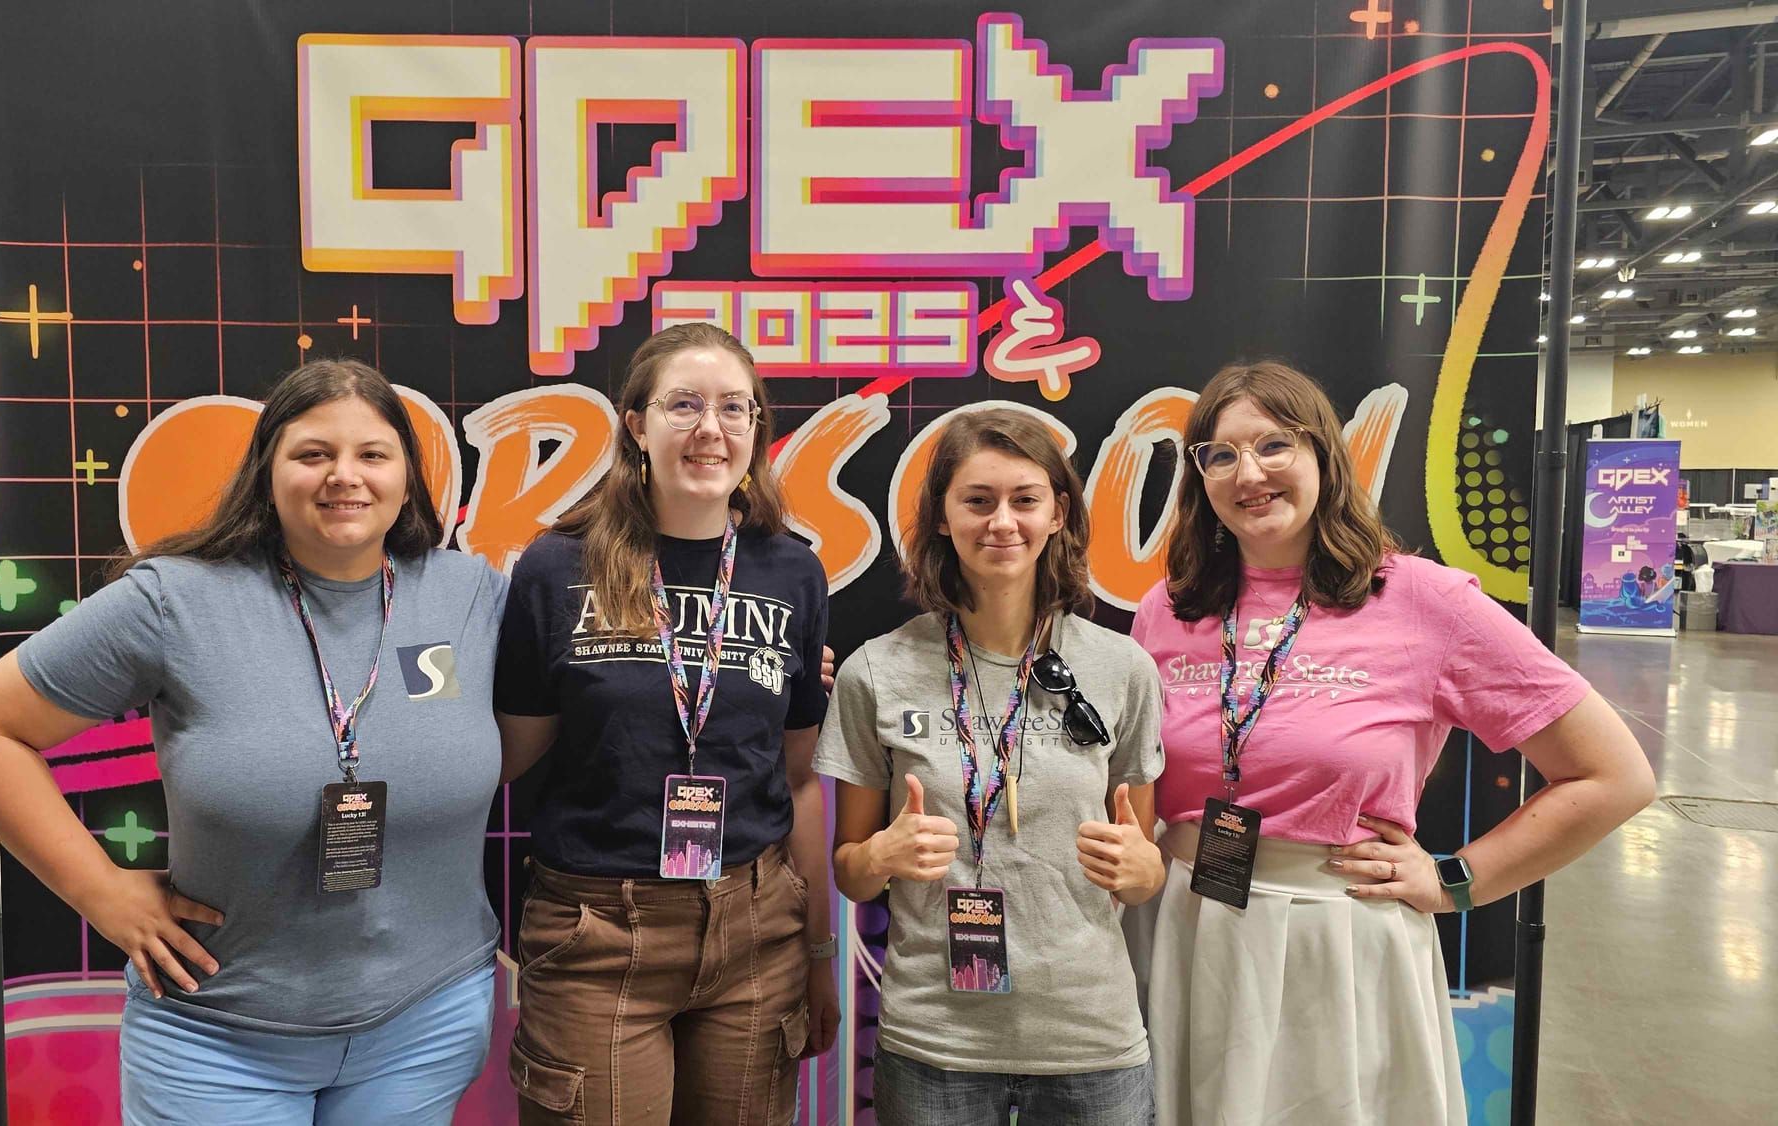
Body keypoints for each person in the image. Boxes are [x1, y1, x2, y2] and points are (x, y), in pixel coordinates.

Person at [0, 359, 504, 1124]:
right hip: (218, 1033)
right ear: (266, 471)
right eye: (312, 453)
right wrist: (101, 893)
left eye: (373, 453)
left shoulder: (471, 595)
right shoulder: (177, 601)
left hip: (425, 1026)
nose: (344, 475)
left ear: (407, 476)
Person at [1132, 360, 1656, 1125]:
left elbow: (1614, 775)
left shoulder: (1423, 600)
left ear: (1324, 455)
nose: (1248, 474)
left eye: (1274, 445)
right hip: (1185, 927)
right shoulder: (1168, 609)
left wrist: (1455, 881)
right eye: (1221, 454)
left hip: (1339, 944)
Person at [495, 321, 838, 1124]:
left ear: (757, 428)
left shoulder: (792, 572)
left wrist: (819, 952)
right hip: (598, 932)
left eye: (734, 407)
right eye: (683, 404)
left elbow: (797, 781)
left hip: (756, 930)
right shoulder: (558, 567)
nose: (710, 428)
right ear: (635, 424)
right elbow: (505, 758)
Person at [816, 409, 1165, 1125]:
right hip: (935, 1044)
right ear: (943, 518)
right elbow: (851, 872)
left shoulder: (1122, 668)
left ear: (1057, 514)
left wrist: (1142, 870)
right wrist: (880, 854)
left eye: (1024, 500)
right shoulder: (876, 671)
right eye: (977, 501)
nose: (1001, 522)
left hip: (1090, 1040)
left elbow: (1143, 869)